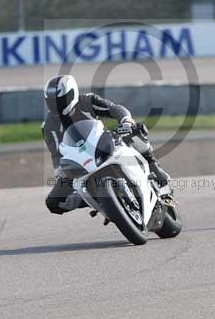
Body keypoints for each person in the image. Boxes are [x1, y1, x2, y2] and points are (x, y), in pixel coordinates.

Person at [41, 74, 171, 215]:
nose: (57, 105)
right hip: (80, 161)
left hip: (104, 142)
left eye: (60, 100)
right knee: (53, 203)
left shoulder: (86, 101)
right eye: (52, 101)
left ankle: (154, 168)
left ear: (72, 94)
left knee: (135, 130)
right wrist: (60, 172)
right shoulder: (48, 125)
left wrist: (126, 121)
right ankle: (96, 199)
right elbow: (56, 153)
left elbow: (114, 109)